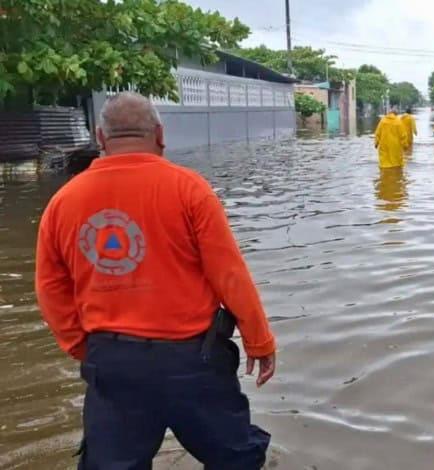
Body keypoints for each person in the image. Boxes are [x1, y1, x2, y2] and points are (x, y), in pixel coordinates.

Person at [35, 92, 276, 468]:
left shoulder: (64, 201)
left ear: (101, 138)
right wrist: (258, 339)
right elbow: (228, 273)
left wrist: (85, 349)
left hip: (114, 364)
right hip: (194, 360)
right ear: (160, 134)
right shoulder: (189, 189)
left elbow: (50, 289)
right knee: (237, 460)